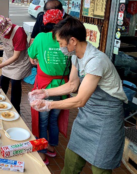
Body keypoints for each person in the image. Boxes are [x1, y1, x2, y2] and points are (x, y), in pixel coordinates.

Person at [30, 17, 128, 173]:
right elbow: (72, 85)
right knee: (71, 161)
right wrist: (45, 92)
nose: (60, 47)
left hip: (106, 119)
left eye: (61, 43)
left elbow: (80, 100)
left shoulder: (96, 61)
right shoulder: (76, 56)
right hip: (86, 116)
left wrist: (48, 104)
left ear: (73, 41)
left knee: (100, 167)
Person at [28, 9, 70, 165]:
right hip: (63, 87)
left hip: (44, 87)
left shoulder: (40, 37)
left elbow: (31, 55)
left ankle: (42, 153)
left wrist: (38, 58)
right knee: (54, 119)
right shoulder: (68, 39)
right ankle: (52, 148)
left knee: (42, 121)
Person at [0, 15, 32, 113]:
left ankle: (16, 110)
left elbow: (16, 56)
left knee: (15, 83)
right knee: (3, 81)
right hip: (8, 58)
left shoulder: (19, 33)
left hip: (20, 62)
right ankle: (0, 104)